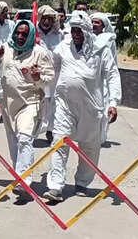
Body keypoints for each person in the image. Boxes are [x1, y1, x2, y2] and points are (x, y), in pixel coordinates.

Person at [43, 11, 121, 202]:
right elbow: (51, 66)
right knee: (59, 142)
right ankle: (55, 187)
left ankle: (82, 182)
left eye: (79, 30)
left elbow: (112, 75)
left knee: (89, 146)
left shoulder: (100, 50)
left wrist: (113, 102)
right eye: (73, 30)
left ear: (86, 30)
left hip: (91, 107)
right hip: (65, 105)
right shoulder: (63, 47)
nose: (76, 34)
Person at [0, 21, 54, 200]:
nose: (20, 37)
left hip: (30, 102)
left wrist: (38, 77)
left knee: (24, 138)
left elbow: (49, 78)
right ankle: (19, 176)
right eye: (17, 33)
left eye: (24, 34)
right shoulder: (6, 49)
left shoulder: (39, 53)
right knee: (14, 143)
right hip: (8, 103)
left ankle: (24, 181)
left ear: (30, 36)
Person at [90, 12, 119, 145]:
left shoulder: (109, 40)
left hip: (104, 81)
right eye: (92, 22)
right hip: (90, 79)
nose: (94, 25)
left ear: (103, 26)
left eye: (97, 23)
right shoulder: (87, 38)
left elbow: (112, 62)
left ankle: (100, 139)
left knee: (103, 111)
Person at [36, 5, 64, 143]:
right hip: (37, 75)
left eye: (49, 19)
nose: (46, 22)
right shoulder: (34, 34)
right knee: (38, 102)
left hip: (55, 74)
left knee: (53, 103)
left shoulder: (59, 35)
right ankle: (33, 130)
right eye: (44, 18)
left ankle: (50, 130)